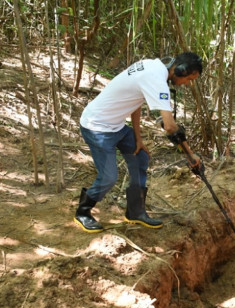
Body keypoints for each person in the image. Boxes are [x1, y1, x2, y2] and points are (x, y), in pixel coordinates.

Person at [74, 52, 203, 233]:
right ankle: (83, 211)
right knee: (109, 177)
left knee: (140, 157)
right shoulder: (156, 79)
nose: (188, 84)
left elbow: (136, 102)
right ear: (180, 70)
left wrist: (138, 138)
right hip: (97, 126)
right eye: (189, 78)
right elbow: (170, 127)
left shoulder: (152, 66)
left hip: (116, 125)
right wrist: (190, 155)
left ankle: (135, 211)